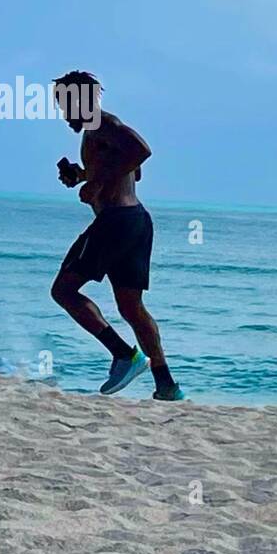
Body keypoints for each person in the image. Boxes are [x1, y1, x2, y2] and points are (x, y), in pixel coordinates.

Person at [50, 70, 183, 401]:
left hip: (116, 222)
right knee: (131, 307)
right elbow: (130, 168)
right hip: (135, 221)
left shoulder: (101, 123)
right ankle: (166, 384)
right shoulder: (97, 132)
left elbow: (140, 150)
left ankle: (124, 354)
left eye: (64, 105)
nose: (63, 113)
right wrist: (82, 176)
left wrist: (95, 182)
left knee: (64, 291)